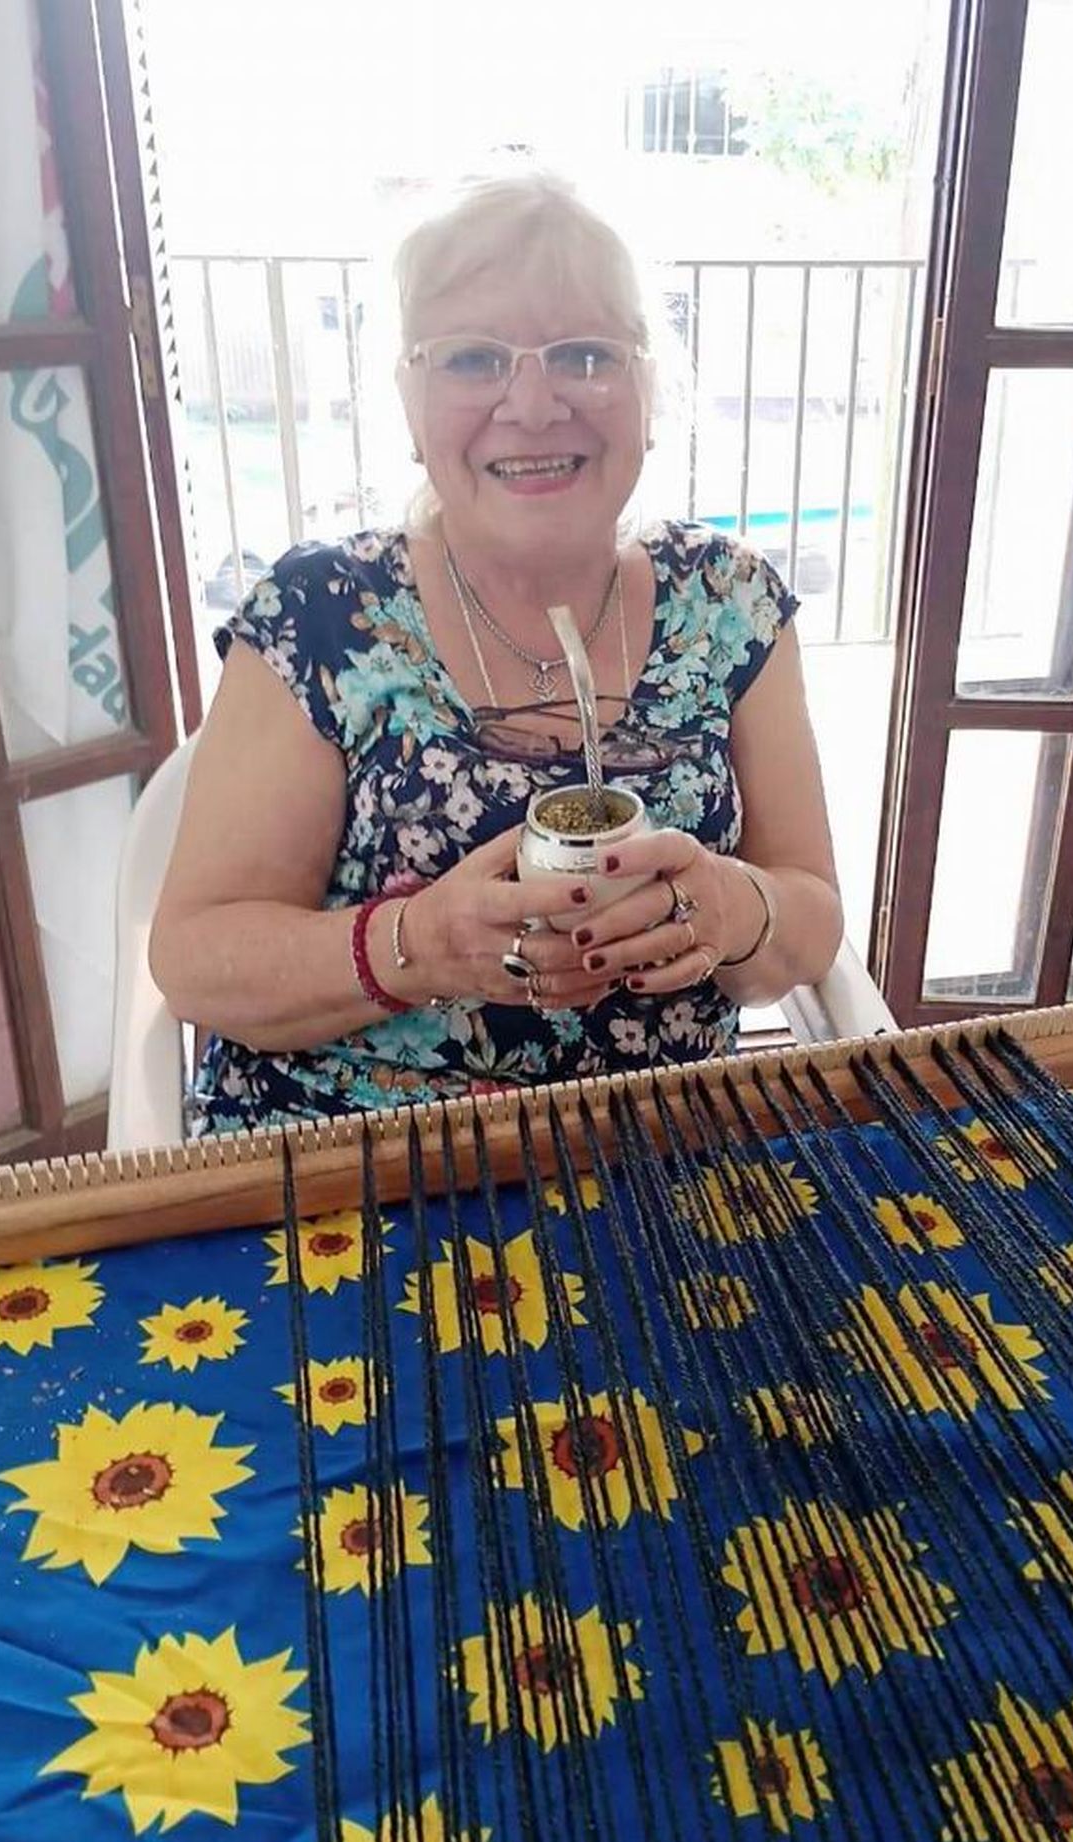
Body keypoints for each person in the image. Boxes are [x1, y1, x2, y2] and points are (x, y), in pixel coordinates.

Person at [150, 173, 844, 1131]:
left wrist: (732, 913)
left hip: (654, 1150)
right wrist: (416, 945)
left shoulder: (730, 604)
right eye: (474, 359)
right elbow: (193, 957)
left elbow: (809, 917)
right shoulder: (323, 616)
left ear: (649, 390)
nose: (532, 404)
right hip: (352, 1162)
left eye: (586, 356)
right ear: (409, 400)